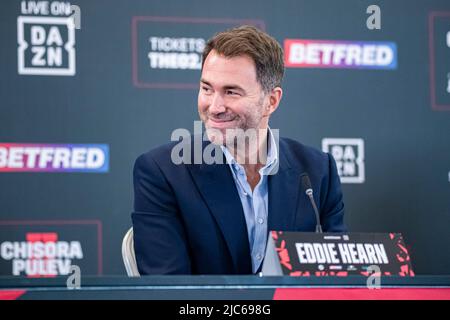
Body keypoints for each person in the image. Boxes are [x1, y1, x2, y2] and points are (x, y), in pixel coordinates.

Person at [132, 25, 346, 275]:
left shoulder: (318, 171)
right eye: (206, 89)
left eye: (231, 92)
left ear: (271, 101)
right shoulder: (162, 172)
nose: (214, 106)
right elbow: (171, 290)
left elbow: (335, 280)